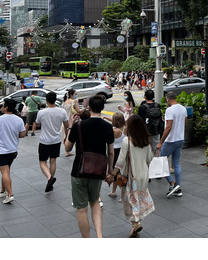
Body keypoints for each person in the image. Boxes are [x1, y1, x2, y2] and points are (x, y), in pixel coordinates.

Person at [65, 95, 114, 238]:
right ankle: (99, 235)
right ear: (103, 108)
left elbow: (67, 148)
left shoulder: (79, 125)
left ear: (89, 108)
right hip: (98, 171)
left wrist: (70, 126)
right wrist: (110, 172)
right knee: (95, 202)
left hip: (79, 171)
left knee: (81, 209)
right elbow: (110, 152)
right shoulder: (107, 127)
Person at [106, 115, 155, 237]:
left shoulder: (127, 141)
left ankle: (135, 224)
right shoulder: (146, 141)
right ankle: (136, 227)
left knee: (130, 202)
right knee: (138, 200)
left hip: (130, 178)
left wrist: (112, 174)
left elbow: (120, 161)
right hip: (143, 175)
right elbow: (149, 159)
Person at [156, 91, 188, 198]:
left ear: (168, 99)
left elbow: (168, 127)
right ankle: (178, 187)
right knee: (176, 163)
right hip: (180, 139)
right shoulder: (183, 109)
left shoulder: (169, 110)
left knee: (161, 163)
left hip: (170, 140)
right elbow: (186, 123)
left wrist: (161, 142)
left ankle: (172, 183)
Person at [36, 91, 69, 192]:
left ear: (46, 100)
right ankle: (50, 182)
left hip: (45, 141)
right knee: (53, 160)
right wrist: (66, 136)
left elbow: (37, 125)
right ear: (55, 100)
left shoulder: (41, 112)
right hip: (56, 140)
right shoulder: (62, 111)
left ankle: (49, 178)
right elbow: (67, 125)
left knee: (42, 162)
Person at [108, 112, 126, 198]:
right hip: (124, 151)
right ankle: (124, 192)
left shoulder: (114, 131)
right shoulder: (125, 129)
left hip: (115, 151)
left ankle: (114, 191)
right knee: (123, 172)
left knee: (115, 172)